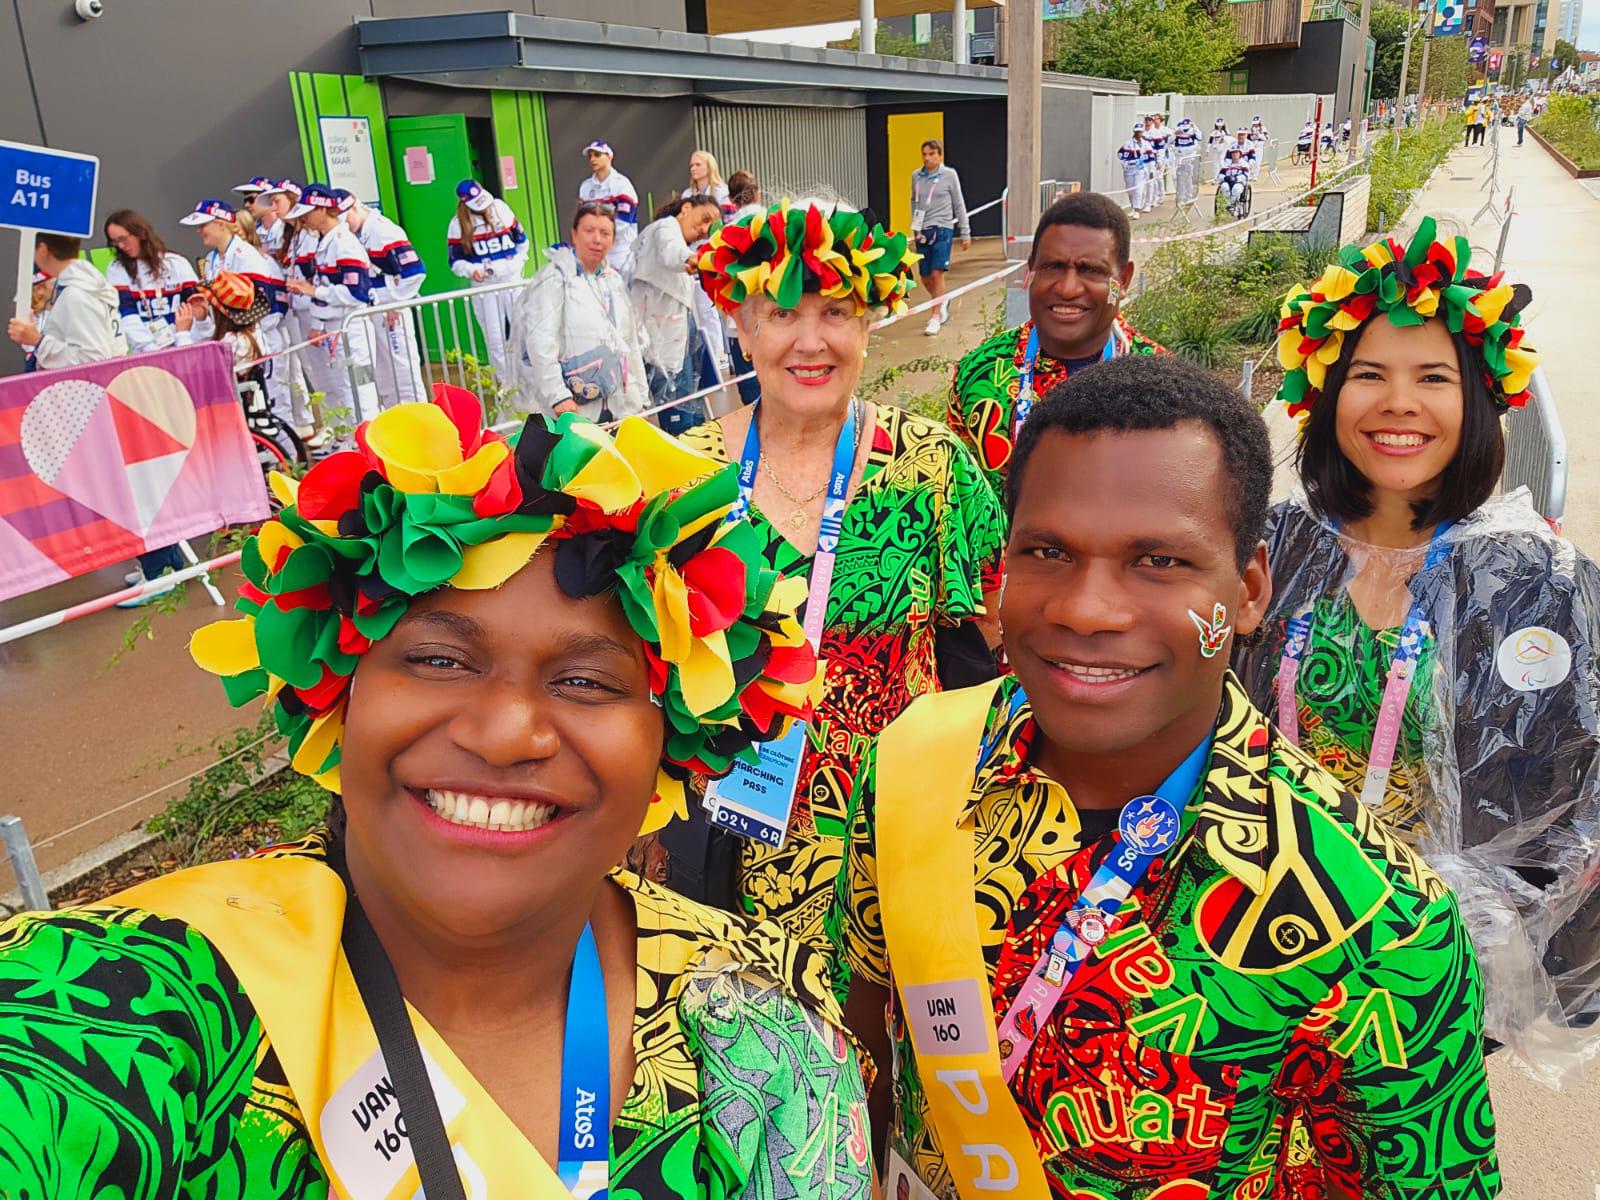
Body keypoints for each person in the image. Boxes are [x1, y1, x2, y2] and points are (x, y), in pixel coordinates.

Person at [0, 388, 873, 1198]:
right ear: (339, 697)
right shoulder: (126, 1007)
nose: (505, 733)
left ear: (673, 743)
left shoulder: (760, 1016)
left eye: (585, 681)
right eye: (438, 660)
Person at [832, 352, 1500, 1199]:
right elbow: (865, 1045)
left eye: (1159, 561)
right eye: (1047, 550)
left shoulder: (1380, 924)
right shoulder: (913, 763)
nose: (1086, 608)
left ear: (1248, 590)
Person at [1235, 218, 1600, 1078]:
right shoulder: (1272, 545)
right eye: (1369, 375)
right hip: (1254, 941)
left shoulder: (1536, 583)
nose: (1399, 403)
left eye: (1433, 377)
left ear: (1480, 400)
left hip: (1430, 975)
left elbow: (1570, 816)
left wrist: (1499, 972)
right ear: (1326, 393)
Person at [666, 198, 1006, 954]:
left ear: (869, 322)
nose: (811, 341)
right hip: (721, 845)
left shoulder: (932, 466)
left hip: (897, 839)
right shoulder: (682, 477)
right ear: (742, 326)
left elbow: (988, 634)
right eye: (782, 314)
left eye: (837, 313)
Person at [947, 192, 1165, 505]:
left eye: (1091, 270)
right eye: (1052, 266)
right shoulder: (976, 374)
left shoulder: (1162, 385)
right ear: (1031, 270)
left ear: (1124, 279)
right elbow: (959, 502)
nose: (1067, 288)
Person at [510, 201, 648, 421]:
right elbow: (541, 341)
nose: (597, 239)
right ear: (574, 234)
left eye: (605, 233)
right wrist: (558, 397)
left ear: (613, 240)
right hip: (574, 406)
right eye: (589, 230)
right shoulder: (555, 279)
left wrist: (640, 396)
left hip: (618, 404)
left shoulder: (613, 281)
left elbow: (629, 342)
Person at [179, 197, 294, 428]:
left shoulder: (246, 256)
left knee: (274, 406)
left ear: (221, 224)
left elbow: (263, 307)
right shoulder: (212, 258)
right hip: (230, 341)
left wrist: (239, 336)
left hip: (251, 342)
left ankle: (286, 451)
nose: (199, 231)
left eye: (203, 224)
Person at [283, 184, 380, 427]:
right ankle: (352, 439)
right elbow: (324, 285)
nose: (304, 218)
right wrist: (317, 322)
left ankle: (370, 444)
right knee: (343, 390)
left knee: (362, 391)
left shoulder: (344, 243)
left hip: (353, 330)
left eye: (308, 212)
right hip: (334, 328)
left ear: (322, 209)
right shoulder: (325, 242)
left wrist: (314, 291)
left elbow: (357, 293)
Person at [629, 194, 721, 435]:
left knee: (692, 410)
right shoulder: (665, 228)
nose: (704, 230)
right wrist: (688, 259)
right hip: (662, 337)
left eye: (709, 227)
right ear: (686, 207)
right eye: (704, 219)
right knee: (681, 417)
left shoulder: (664, 235)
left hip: (674, 333)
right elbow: (671, 251)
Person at [345, 197, 428, 408]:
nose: (344, 225)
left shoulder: (384, 231)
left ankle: (418, 420)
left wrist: (395, 304)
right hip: (375, 309)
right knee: (384, 374)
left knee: (403, 371)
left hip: (390, 312)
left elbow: (415, 272)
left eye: (345, 218)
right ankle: (395, 419)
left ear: (354, 208)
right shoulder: (356, 233)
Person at [447, 179, 529, 384]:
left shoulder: (500, 209)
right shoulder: (457, 225)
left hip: (511, 280)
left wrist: (514, 265)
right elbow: (455, 262)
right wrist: (472, 270)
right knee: (495, 337)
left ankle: (530, 379)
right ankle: (506, 385)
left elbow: (522, 242)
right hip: (485, 286)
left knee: (524, 330)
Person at [6, 233, 124, 369]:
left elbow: (93, 360)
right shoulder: (81, 284)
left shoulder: (77, 293)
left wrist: (38, 341)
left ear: (43, 249)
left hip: (92, 381)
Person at [103, 208, 199, 353]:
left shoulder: (176, 263)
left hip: (185, 347)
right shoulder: (117, 269)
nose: (121, 246)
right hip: (147, 354)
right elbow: (126, 317)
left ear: (140, 233)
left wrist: (183, 340)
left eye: (124, 239)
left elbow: (197, 311)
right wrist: (152, 350)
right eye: (115, 242)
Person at [911, 138, 972, 336]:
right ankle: (942, 299)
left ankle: (935, 316)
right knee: (925, 275)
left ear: (940, 155)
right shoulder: (916, 176)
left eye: (932, 154)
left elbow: (959, 203)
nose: (927, 158)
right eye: (924, 154)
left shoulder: (949, 175)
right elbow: (914, 202)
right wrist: (915, 229)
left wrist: (965, 232)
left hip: (943, 228)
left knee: (937, 272)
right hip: (923, 230)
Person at [722, 170, 764, 407]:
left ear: (731, 200)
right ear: (758, 194)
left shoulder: (726, 233)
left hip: (739, 318)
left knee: (750, 389)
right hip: (775, 312)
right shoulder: (776, 221)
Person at [578, 140, 640, 271]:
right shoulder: (585, 187)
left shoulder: (622, 185)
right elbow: (583, 220)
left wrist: (598, 236)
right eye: (590, 156)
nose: (592, 159)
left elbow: (623, 223)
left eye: (597, 155)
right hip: (596, 252)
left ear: (609, 157)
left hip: (621, 254)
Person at [683, 148, 733, 216]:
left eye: (698, 165)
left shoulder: (722, 192)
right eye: (691, 165)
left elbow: (729, 218)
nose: (693, 169)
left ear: (710, 168)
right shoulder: (687, 194)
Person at [1117, 125, 1147, 219]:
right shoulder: (1128, 143)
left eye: (1140, 132)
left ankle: (1137, 210)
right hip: (1130, 169)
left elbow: (1151, 156)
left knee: (1138, 189)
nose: (1138, 134)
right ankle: (1133, 207)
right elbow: (1120, 154)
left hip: (1140, 169)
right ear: (1134, 132)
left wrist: (1151, 169)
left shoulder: (1146, 144)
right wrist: (1124, 164)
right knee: (1130, 190)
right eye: (1137, 132)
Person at [1170, 117, 1201, 205]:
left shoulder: (1193, 132)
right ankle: (1180, 196)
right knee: (1176, 177)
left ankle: (1188, 196)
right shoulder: (1177, 132)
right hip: (1178, 156)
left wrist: (1194, 127)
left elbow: (1200, 137)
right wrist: (1174, 134)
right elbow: (1169, 142)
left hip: (1188, 157)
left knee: (1187, 177)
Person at [1217, 147, 1251, 218]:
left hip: (1238, 182)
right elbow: (1220, 174)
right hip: (1227, 181)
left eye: (1236, 153)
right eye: (1233, 153)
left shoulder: (1244, 164)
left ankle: (1233, 205)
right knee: (1224, 187)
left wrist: (1237, 178)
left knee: (1236, 189)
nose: (1235, 154)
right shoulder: (1226, 164)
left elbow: (1246, 175)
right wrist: (1224, 178)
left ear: (1240, 154)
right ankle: (1227, 205)